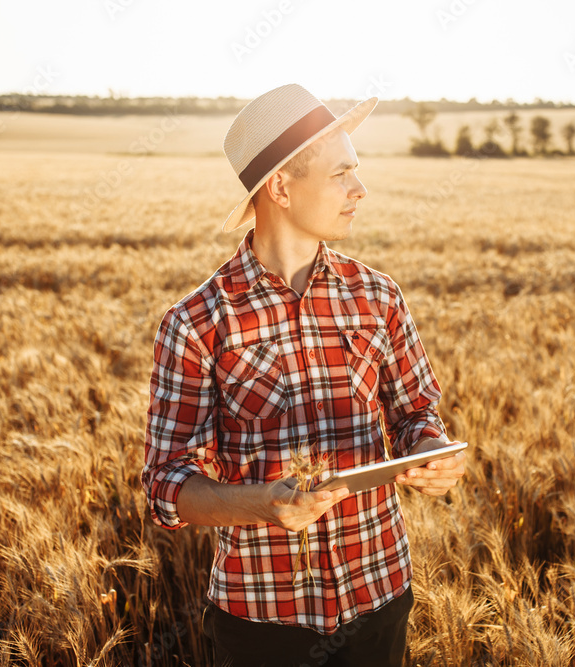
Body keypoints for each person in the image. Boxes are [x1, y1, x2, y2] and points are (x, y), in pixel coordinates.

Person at [140, 83, 466, 667]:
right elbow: (167, 485)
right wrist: (261, 504)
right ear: (282, 187)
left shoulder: (378, 296)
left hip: (380, 592)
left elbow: (416, 413)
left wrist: (433, 452)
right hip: (264, 620)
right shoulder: (196, 323)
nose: (360, 190)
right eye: (342, 173)